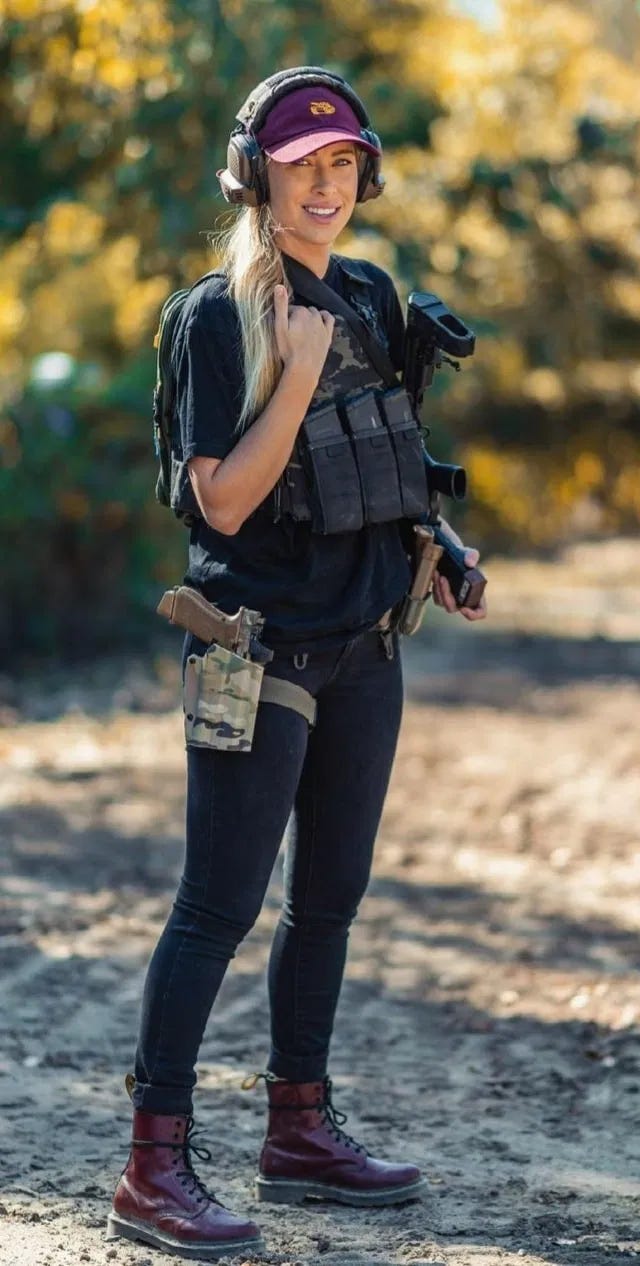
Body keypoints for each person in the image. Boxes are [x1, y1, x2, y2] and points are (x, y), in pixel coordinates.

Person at [107, 66, 487, 1261]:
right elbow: (221, 504)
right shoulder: (214, 318)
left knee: (328, 901)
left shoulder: (367, 293)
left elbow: (384, 454)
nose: (323, 186)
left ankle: (299, 1130)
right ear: (252, 176)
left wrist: (438, 545)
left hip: (364, 646)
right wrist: (299, 371)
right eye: (298, 166)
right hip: (257, 651)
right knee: (217, 906)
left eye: (340, 165)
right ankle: (151, 1167)